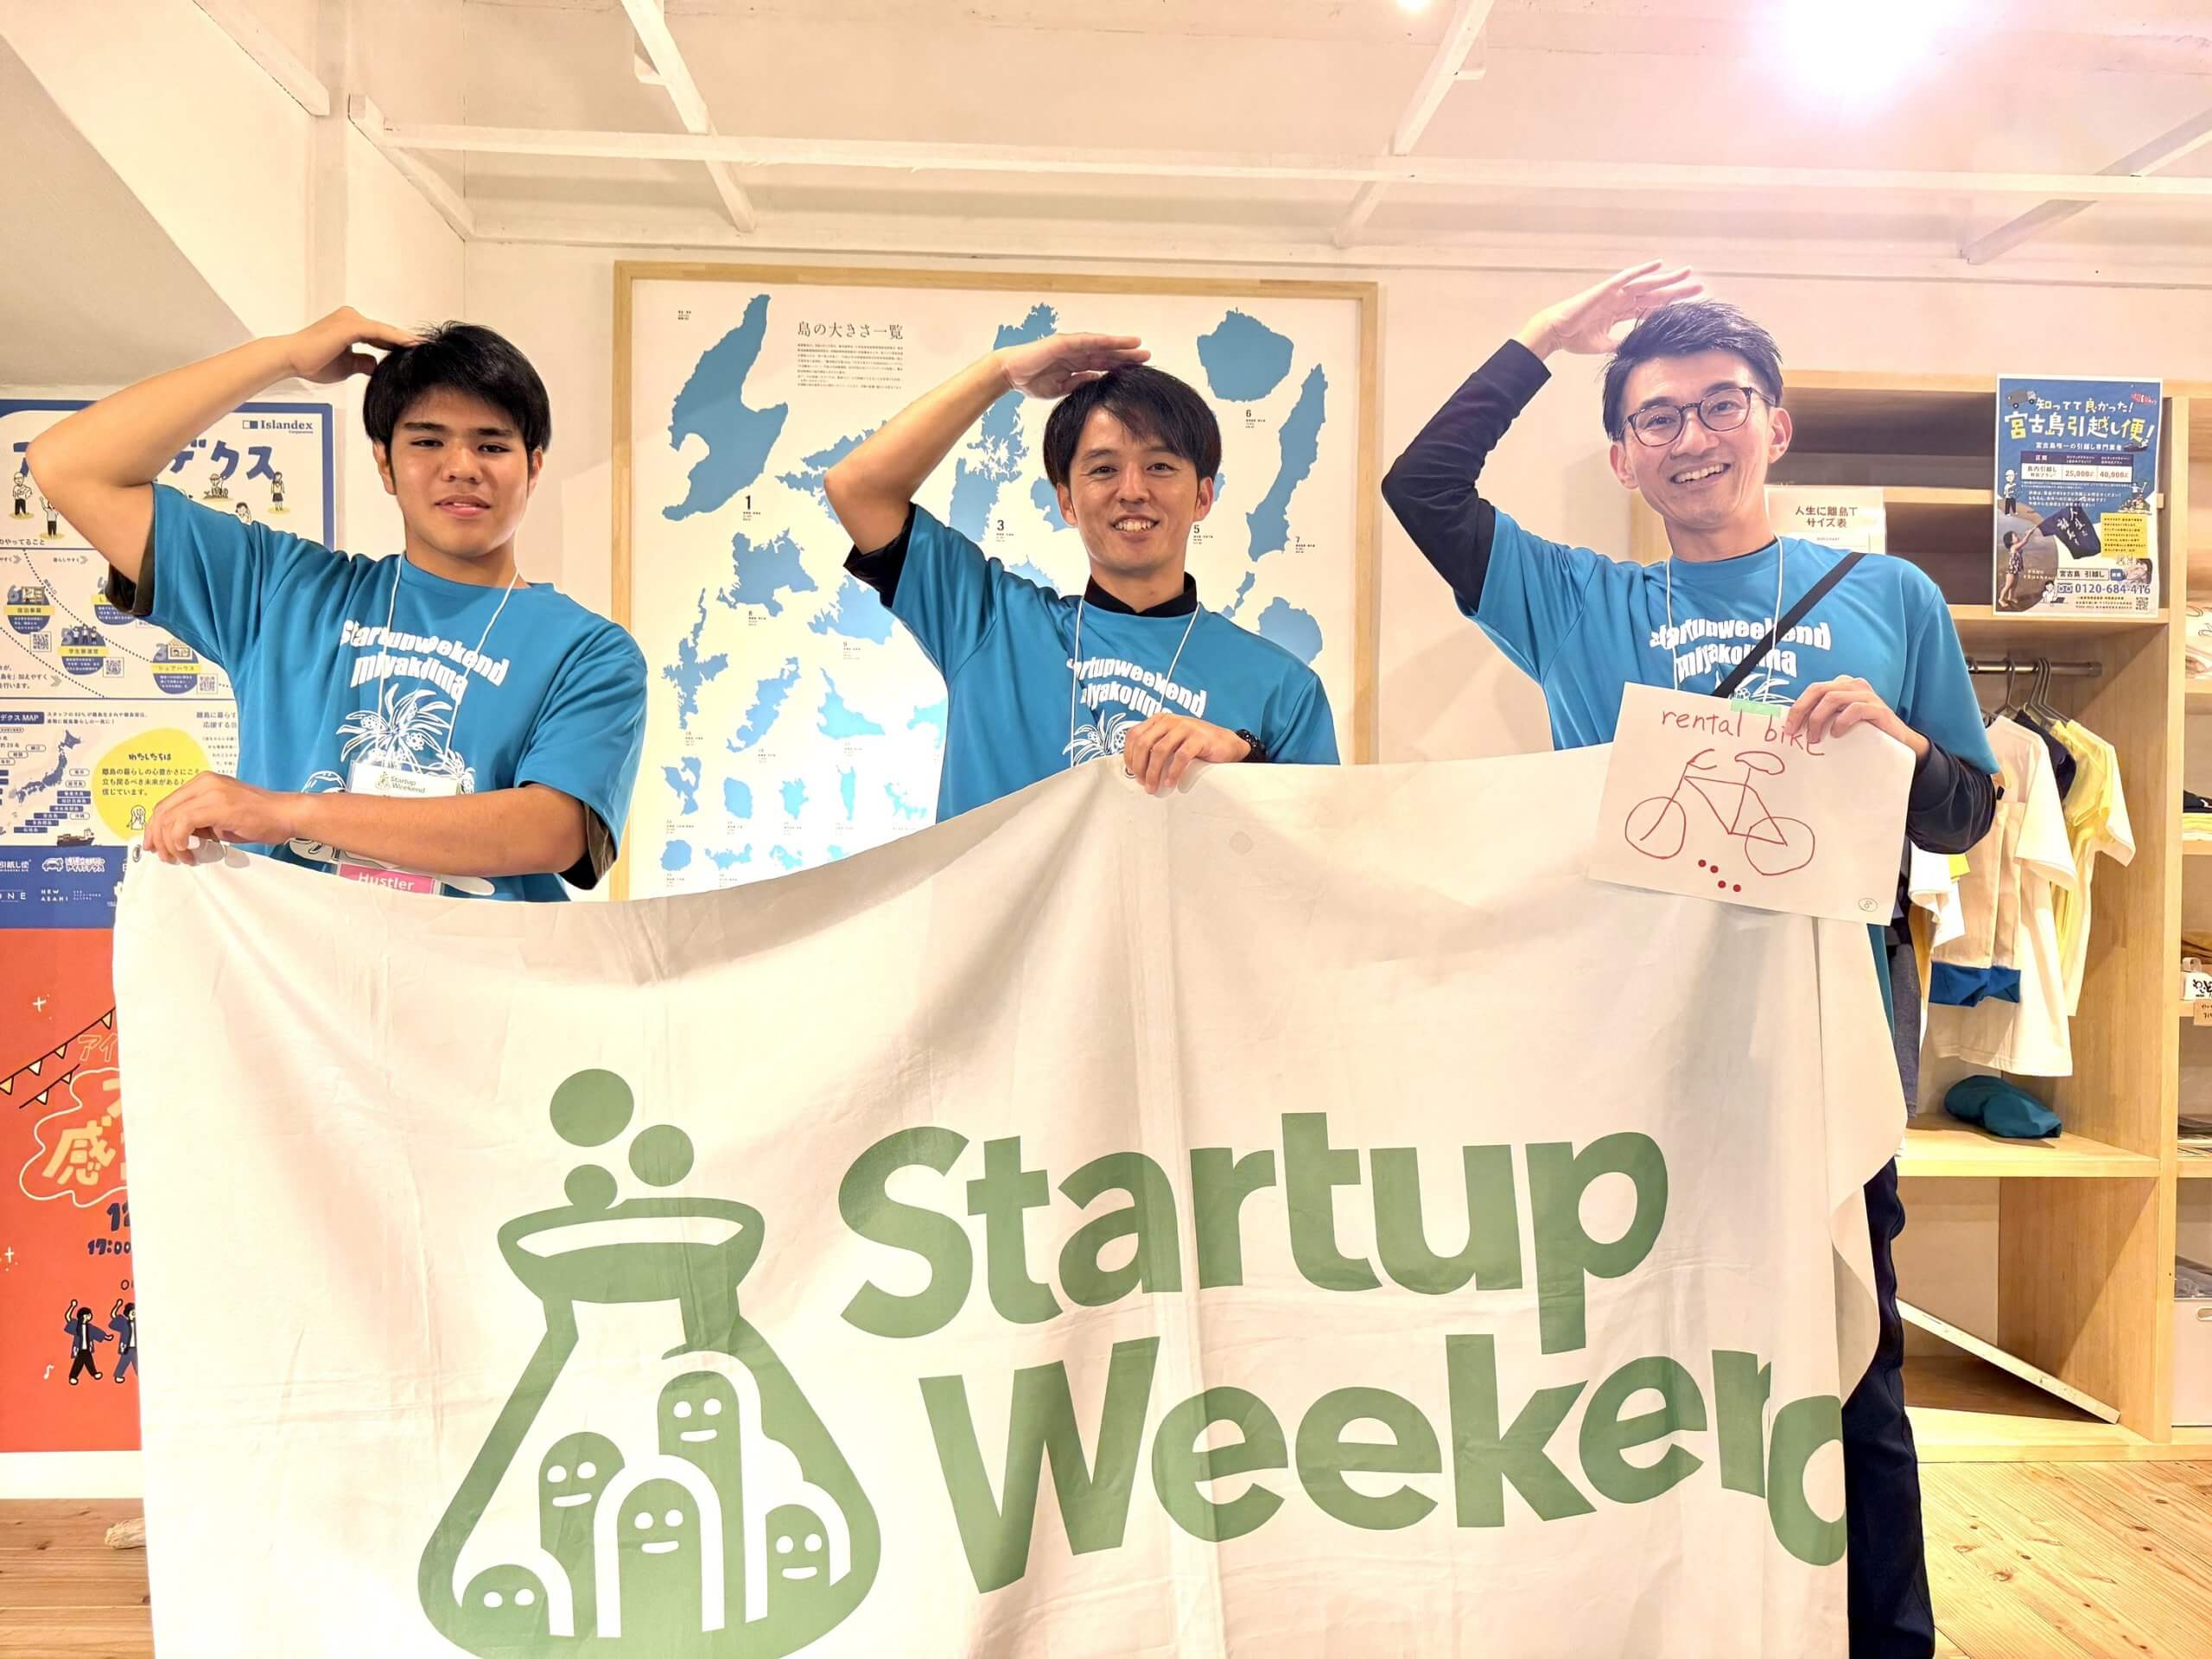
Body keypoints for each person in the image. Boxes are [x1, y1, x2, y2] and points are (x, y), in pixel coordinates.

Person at [1382, 264, 1999, 1659]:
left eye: (1722, 404)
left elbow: (1965, 811)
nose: (1692, 436)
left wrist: (1899, 744)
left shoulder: (1891, 596)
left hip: (1822, 1054)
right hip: (1623, 1052)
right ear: (1622, 456)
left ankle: (1883, 1639)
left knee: (1848, 1363)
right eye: (1656, 418)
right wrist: (1545, 338)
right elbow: (1422, 488)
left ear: (1777, 424)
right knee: (1626, 1361)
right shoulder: (1572, 599)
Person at [28, 308, 646, 901]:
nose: (461, 467)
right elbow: (70, 465)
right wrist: (282, 356)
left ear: (532, 468)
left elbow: (553, 829)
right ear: (385, 464)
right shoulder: (282, 590)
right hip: (293, 971)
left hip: (482, 971)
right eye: (428, 441)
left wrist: (291, 813)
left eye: (491, 446)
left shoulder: (589, 651)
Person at [823, 334, 1337, 814]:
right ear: (1066, 501)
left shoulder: (1285, 688)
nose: (1132, 491)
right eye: (1103, 468)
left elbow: (1317, 855)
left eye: (1160, 466)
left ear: (1203, 496)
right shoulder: (989, 622)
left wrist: (1246, 760)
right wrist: (1000, 372)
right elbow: (857, 489)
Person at [63, 1300, 112, 1386]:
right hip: (79, 1349)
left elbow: (98, 1332)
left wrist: (106, 1337)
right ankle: (74, 1376)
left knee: (88, 1360)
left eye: (89, 1315)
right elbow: (68, 1317)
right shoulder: (76, 1325)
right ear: (81, 1317)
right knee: (80, 1362)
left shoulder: (90, 1327)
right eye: (86, 1315)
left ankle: (91, 1374)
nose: (88, 1317)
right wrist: (72, 1306)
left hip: (87, 1348)